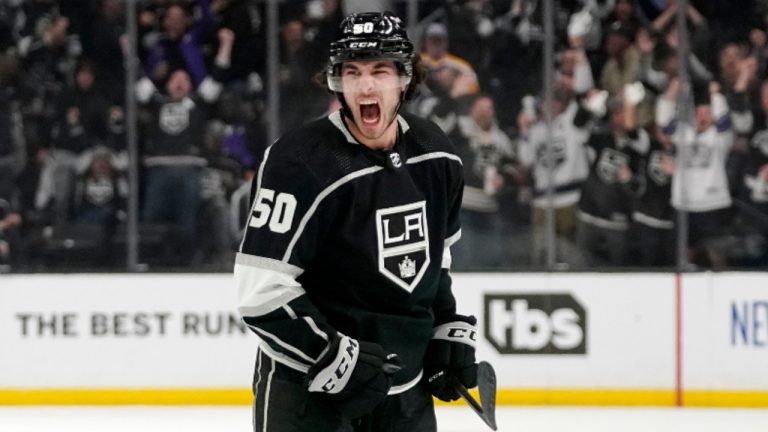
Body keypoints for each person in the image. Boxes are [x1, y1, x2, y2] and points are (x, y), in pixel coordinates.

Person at [234, 12, 478, 431]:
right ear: (337, 81)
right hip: (309, 392)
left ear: (405, 79)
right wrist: (330, 354)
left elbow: (436, 257)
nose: (366, 86)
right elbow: (259, 291)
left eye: (380, 70)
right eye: (353, 72)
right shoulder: (299, 162)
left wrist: (445, 323)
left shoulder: (436, 154)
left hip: (406, 391)